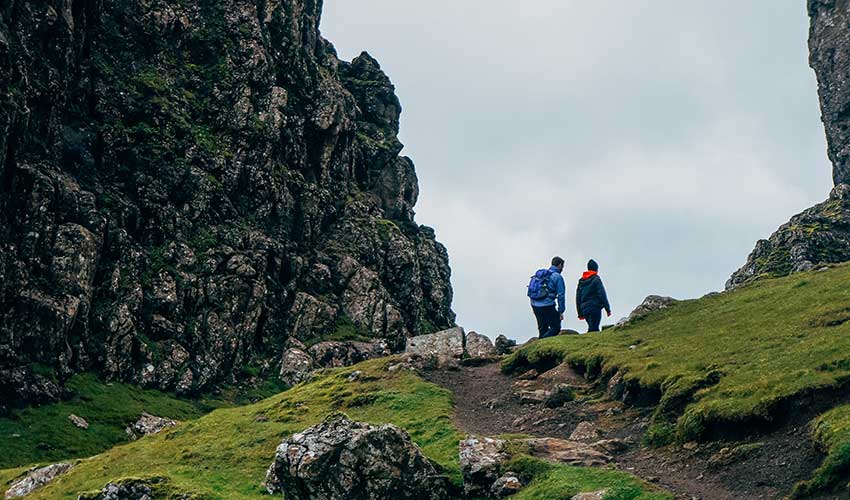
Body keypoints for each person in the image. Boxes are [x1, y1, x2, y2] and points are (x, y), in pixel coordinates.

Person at [528, 256, 567, 339]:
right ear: (560, 265)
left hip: (534, 304)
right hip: (547, 305)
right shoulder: (557, 277)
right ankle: (541, 343)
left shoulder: (541, 275)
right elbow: (561, 295)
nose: (562, 269)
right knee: (555, 327)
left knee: (543, 328)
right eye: (562, 266)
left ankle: (540, 345)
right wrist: (561, 311)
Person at [576, 259, 611, 333]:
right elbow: (602, 294)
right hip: (594, 307)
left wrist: (580, 313)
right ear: (596, 269)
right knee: (594, 328)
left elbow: (578, 297)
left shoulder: (581, 281)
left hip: (584, 308)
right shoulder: (596, 278)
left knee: (592, 326)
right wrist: (607, 309)